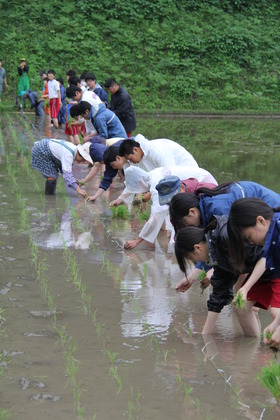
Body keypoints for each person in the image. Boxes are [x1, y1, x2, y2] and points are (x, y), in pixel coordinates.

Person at [174, 217, 279, 336]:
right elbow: (219, 293)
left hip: (275, 260)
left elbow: (264, 256)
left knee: (276, 313)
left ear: (197, 248)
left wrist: (246, 288)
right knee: (241, 307)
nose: (195, 262)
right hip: (264, 271)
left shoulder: (225, 238)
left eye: (191, 258)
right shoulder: (216, 250)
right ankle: (253, 347)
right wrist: (205, 335)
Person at [110, 166, 217, 250]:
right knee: (178, 215)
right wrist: (120, 198)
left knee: (197, 218)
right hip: (190, 184)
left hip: (204, 184)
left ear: (139, 182)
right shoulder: (151, 175)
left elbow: (156, 216)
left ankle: (201, 249)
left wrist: (137, 241)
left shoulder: (156, 186)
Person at [169, 181, 280, 234]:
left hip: (272, 207)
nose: (188, 227)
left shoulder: (218, 210)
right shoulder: (205, 206)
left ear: (192, 211)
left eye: (186, 224)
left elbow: (231, 245)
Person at [78, 137, 127, 202]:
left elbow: (96, 167)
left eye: (101, 162)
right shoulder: (109, 161)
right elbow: (106, 179)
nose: (113, 167)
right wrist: (95, 196)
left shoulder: (125, 151)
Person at [118, 135, 198, 170]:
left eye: (130, 158)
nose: (131, 162)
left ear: (135, 150)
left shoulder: (155, 151)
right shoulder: (141, 156)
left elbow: (169, 173)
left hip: (186, 170)